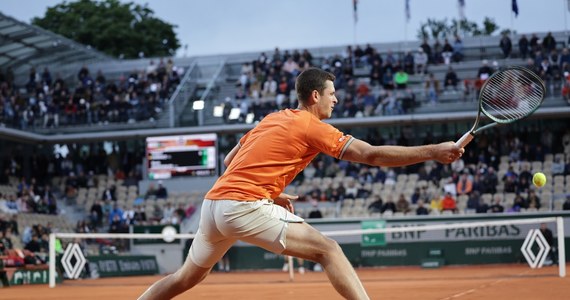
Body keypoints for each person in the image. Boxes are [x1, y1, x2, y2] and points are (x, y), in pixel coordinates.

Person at [137, 67, 464, 300]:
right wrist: (433, 151)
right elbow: (371, 155)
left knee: (184, 278)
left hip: (213, 206)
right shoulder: (312, 126)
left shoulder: (272, 118)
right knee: (329, 250)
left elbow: (228, 163)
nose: (335, 101)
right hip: (241, 206)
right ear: (315, 95)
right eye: (332, 95)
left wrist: (273, 192)